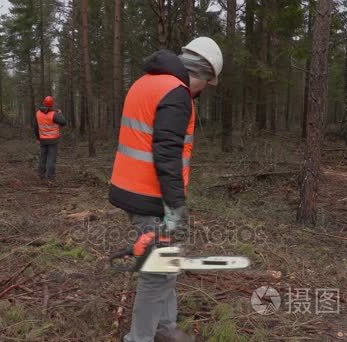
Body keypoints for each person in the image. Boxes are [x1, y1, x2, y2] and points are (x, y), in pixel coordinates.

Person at [108, 37, 223, 342]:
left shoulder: (148, 81)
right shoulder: (176, 92)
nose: (199, 94)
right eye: (205, 85)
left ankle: (164, 328)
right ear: (202, 74)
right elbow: (167, 154)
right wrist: (174, 209)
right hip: (150, 196)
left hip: (132, 188)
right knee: (158, 274)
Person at [34, 96, 67, 181]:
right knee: (51, 158)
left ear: (44, 103)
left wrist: (38, 138)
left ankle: (41, 174)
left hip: (42, 140)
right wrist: (60, 113)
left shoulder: (38, 113)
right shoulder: (54, 114)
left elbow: (36, 127)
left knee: (42, 157)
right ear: (52, 104)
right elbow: (64, 122)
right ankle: (51, 176)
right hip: (53, 140)